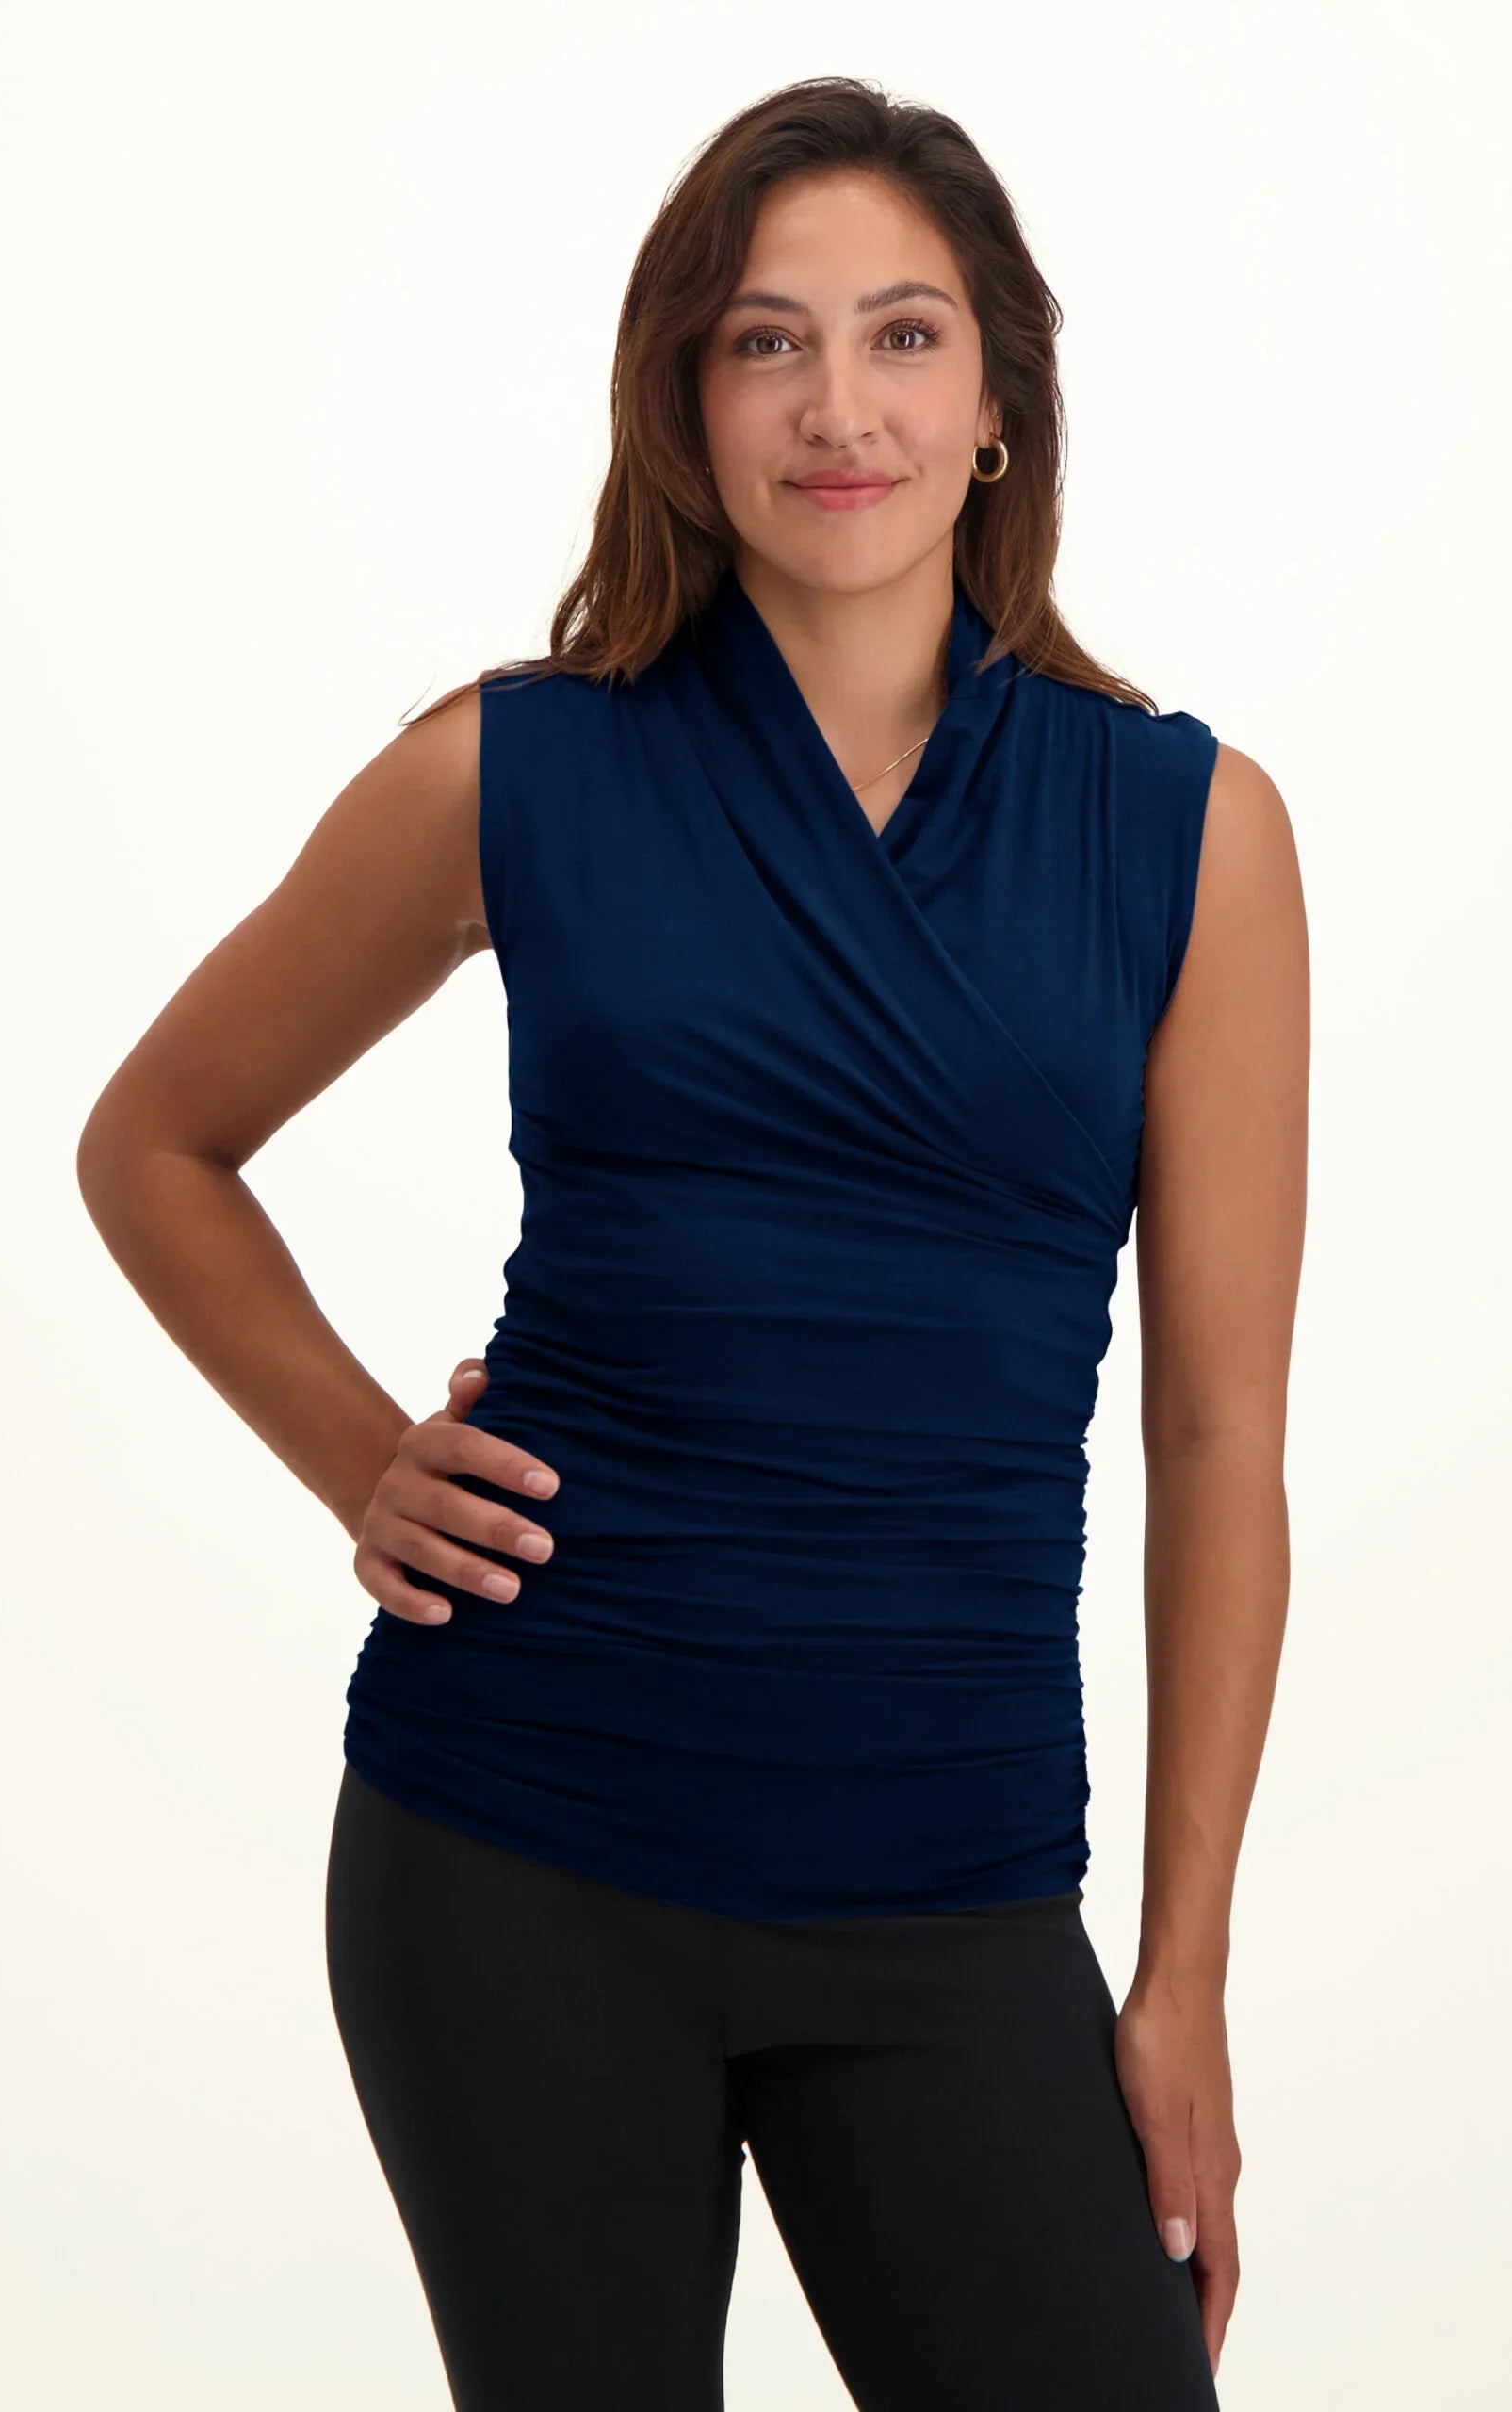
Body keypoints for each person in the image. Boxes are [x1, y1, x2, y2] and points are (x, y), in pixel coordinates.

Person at [77, 74, 1308, 2412]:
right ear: (684, 401)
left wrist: (1180, 1976)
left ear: (998, 402)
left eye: (901, 336)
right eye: (765, 342)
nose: (837, 406)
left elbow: (1217, 1428)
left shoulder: (1187, 831)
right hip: (518, 1834)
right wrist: (360, 1462)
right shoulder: (513, 767)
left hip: (948, 1874)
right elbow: (156, 1142)